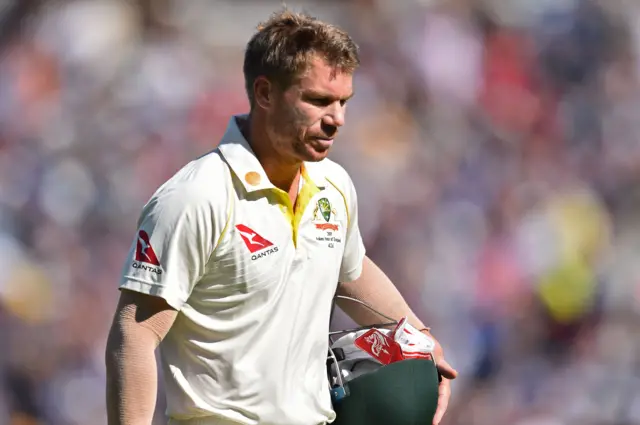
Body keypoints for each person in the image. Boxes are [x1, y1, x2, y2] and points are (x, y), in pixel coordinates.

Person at [105, 9, 457, 425]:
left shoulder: (334, 184)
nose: (337, 120)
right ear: (265, 93)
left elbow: (350, 271)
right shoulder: (197, 196)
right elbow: (135, 335)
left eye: (343, 102)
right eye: (318, 101)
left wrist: (418, 337)